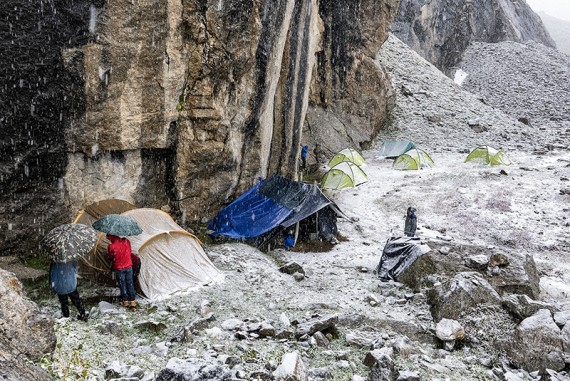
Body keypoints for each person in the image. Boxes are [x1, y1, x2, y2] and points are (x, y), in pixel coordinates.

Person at [107, 234, 137, 308]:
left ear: (110, 237)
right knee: (130, 283)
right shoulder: (127, 241)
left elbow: (111, 257)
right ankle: (132, 301)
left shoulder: (111, 246)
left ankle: (125, 301)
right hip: (129, 265)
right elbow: (129, 252)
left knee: (122, 284)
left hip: (119, 268)